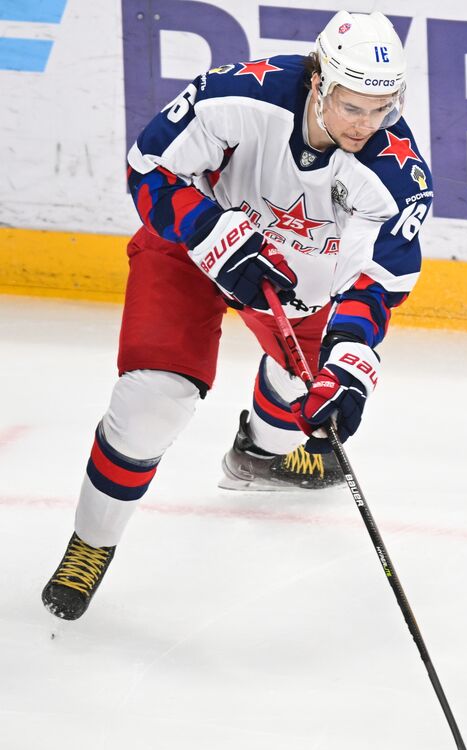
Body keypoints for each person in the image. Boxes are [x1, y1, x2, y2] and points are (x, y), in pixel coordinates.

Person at [41, 10, 432, 621]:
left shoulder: (397, 176)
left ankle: (259, 454)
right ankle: (92, 542)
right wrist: (209, 229)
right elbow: (149, 166)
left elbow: (375, 281)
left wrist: (349, 367)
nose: (366, 125)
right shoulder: (240, 95)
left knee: (310, 400)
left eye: (381, 109)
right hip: (192, 250)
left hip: (297, 279)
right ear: (319, 83)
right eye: (352, 107)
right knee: (152, 403)